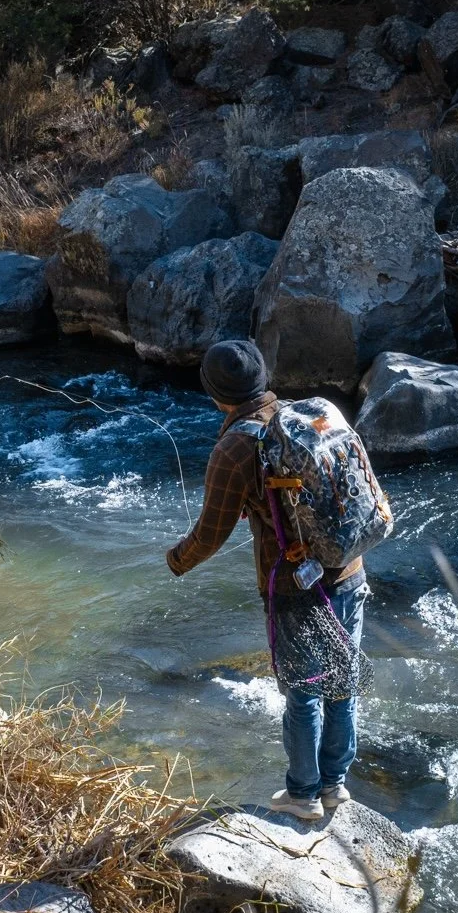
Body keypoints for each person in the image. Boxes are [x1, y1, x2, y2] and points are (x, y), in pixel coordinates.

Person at [166, 340, 368, 822]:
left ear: (215, 392)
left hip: (295, 586)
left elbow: (211, 534)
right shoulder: (311, 416)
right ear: (263, 378)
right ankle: (336, 785)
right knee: (343, 682)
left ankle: (303, 794)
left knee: (304, 692)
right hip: (351, 568)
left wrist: (176, 560)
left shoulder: (236, 446)